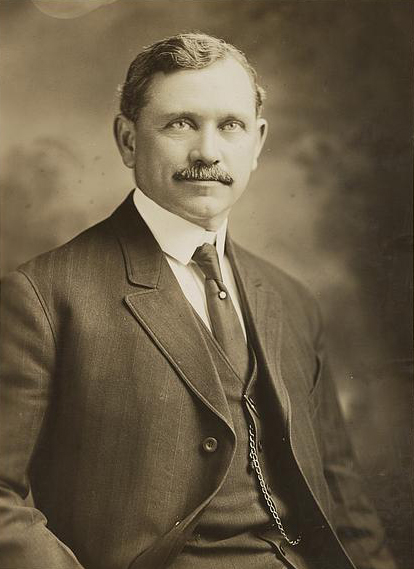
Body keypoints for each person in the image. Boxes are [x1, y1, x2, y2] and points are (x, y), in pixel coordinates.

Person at [0, 32, 396, 569]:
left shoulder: (292, 298)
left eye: (230, 126)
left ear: (257, 144)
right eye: (180, 123)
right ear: (128, 140)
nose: (207, 152)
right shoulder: (43, 297)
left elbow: (343, 498)